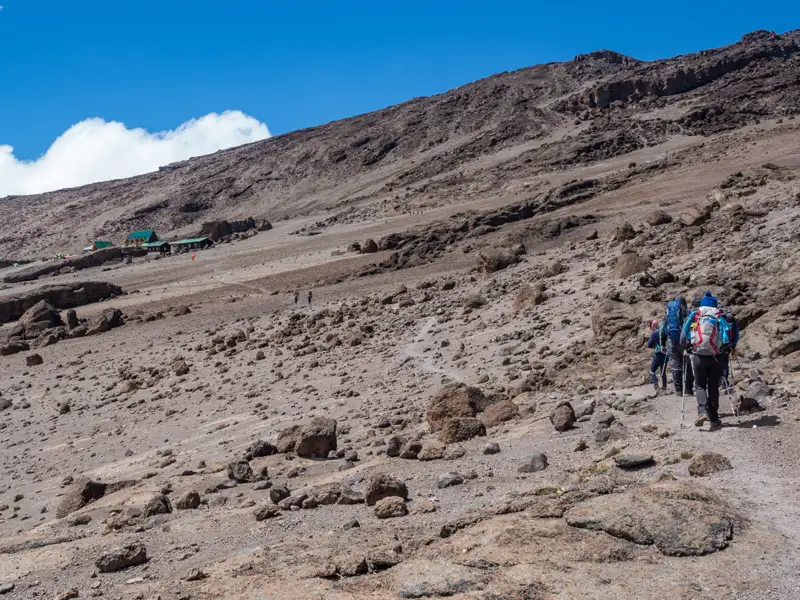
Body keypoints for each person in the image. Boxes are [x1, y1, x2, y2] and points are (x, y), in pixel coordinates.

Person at [682, 291, 733, 429]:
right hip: (716, 356)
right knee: (713, 387)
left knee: (700, 386)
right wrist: (726, 348)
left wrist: (687, 346)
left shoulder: (695, 315)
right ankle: (714, 419)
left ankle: (702, 411)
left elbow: (685, 334)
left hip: (699, 355)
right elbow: (726, 335)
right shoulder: (718, 315)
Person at [665, 295, 692, 395]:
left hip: (670, 341)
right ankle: (688, 389)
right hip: (683, 341)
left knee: (675, 366)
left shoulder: (669, 312)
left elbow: (664, 327)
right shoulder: (685, 311)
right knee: (687, 365)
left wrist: (664, 342)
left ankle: (679, 390)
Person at [647, 319, 667, 393]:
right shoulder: (664, 331)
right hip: (665, 354)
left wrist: (654, 345)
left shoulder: (654, 333)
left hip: (658, 354)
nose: (650, 328)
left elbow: (649, 344)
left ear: (653, 326)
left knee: (651, 371)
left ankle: (656, 386)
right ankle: (664, 387)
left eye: (650, 327)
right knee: (663, 371)